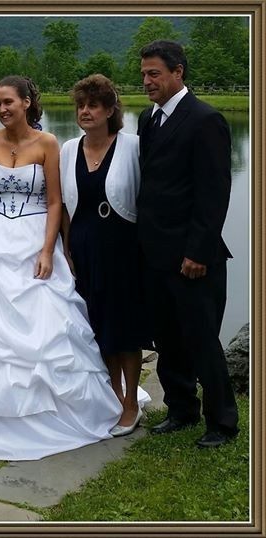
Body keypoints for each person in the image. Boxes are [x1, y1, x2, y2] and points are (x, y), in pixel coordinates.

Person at [0, 75, 149, 462]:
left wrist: (48, 251)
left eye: (8, 102)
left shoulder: (49, 143)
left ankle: (88, 403)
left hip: (35, 237)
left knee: (49, 319)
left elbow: (55, 202)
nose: (2, 109)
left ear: (26, 103)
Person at [137, 40, 239, 448]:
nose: (147, 81)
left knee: (202, 340)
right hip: (155, 252)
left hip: (193, 255)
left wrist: (197, 251)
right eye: (144, 74)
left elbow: (214, 193)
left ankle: (222, 423)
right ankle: (181, 409)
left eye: (154, 74)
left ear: (178, 72)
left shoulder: (205, 120)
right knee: (167, 338)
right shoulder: (148, 119)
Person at [60, 74, 151, 437]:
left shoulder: (133, 146)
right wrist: (66, 248)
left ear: (111, 110)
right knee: (98, 326)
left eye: (94, 105)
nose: (85, 111)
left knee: (124, 326)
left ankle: (131, 403)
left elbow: (148, 199)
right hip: (84, 249)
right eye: (81, 105)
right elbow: (64, 206)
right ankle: (112, 396)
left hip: (123, 249)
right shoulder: (68, 149)